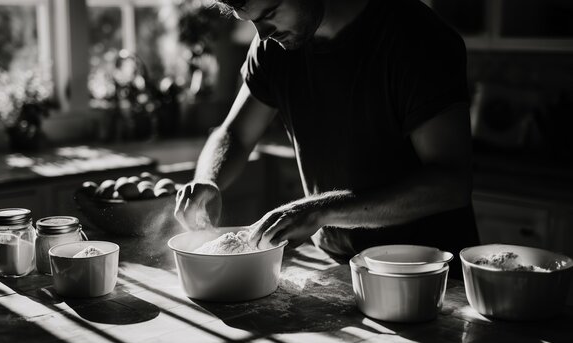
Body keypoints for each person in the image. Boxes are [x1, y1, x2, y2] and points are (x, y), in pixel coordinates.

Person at [174, 0, 478, 278]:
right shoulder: (273, 48)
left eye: (268, 14)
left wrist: (320, 210)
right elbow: (235, 133)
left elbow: (451, 183)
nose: (263, 33)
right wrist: (208, 179)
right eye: (250, 20)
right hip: (338, 266)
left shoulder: (416, 38)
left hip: (429, 277)